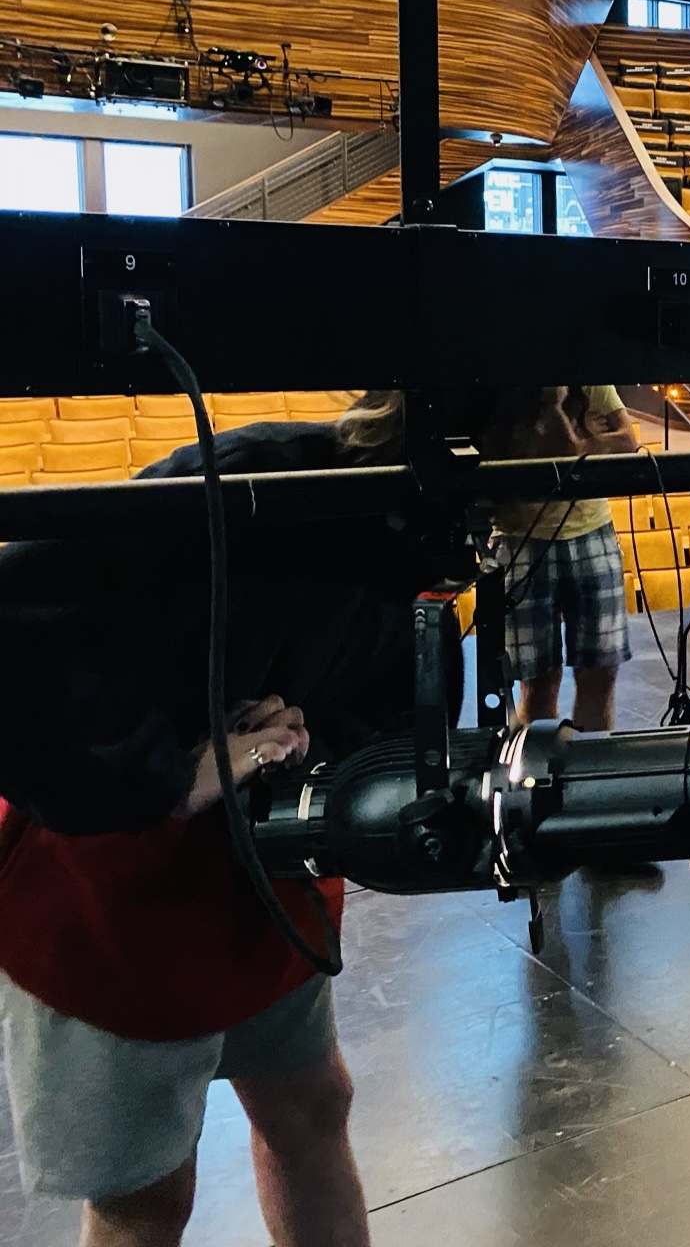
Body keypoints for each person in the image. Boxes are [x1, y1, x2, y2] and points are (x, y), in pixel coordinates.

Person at [0, 391, 458, 1247]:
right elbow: (17, 636)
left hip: (264, 876)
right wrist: (170, 775)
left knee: (312, 1105)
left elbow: (379, 689)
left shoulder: (422, 522)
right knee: (148, 1193)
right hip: (112, 890)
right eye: (574, 412)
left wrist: (309, 740)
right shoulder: (255, 479)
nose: (598, 437)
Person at [492, 384, 640, 731]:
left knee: (600, 674)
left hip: (592, 531)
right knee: (538, 681)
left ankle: (589, 774)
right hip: (521, 540)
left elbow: (628, 442)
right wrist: (586, 443)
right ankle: (541, 777)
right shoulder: (504, 380)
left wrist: (578, 447)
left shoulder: (589, 377)